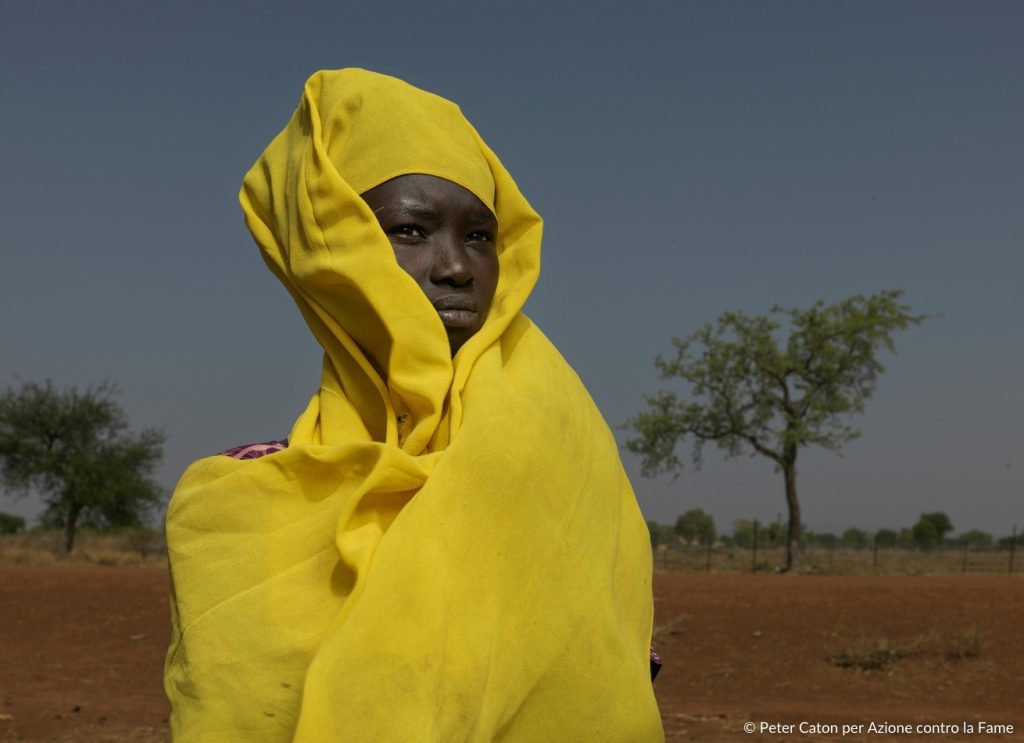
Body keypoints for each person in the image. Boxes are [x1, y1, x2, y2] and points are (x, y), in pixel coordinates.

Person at [164, 68, 664, 742]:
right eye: (409, 230)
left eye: (480, 236)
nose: (457, 266)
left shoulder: (550, 442)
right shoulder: (232, 505)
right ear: (325, 246)